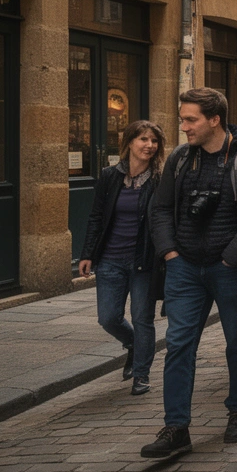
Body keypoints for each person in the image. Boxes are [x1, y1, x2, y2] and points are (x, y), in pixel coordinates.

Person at [142, 88, 237, 460]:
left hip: (230, 268)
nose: (183, 127)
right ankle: (176, 427)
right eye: (183, 119)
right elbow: (162, 208)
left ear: (214, 120)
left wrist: (232, 258)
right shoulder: (181, 159)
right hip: (184, 267)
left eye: (190, 120)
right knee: (179, 343)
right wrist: (169, 252)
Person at [78, 120, 165, 396]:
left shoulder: (160, 179)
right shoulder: (109, 176)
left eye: (153, 141)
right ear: (128, 143)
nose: (149, 145)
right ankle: (133, 345)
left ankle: (141, 373)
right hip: (111, 259)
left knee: (143, 318)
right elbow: (96, 216)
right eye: (143, 139)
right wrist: (88, 254)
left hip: (143, 260)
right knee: (108, 318)